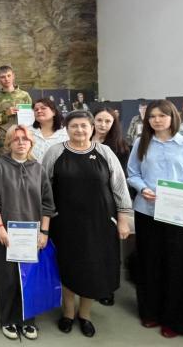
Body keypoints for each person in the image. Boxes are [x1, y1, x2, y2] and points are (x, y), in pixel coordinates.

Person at [42, 110, 131, 338]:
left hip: (100, 223)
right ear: (67, 129)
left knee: (93, 268)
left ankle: (85, 314)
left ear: (92, 128)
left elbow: (120, 187)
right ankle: (68, 312)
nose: (79, 130)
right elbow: (44, 187)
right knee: (67, 266)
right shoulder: (55, 152)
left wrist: (123, 219)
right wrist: (45, 218)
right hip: (65, 223)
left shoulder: (104, 152)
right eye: (74, 126)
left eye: (84, 125)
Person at [127, 99, 183, 338]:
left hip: (178, 213)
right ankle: (150, 312)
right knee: (149, 262)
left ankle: (174, 320)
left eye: (162, 115)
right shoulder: (141, 142)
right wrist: (143, 188)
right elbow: (132, 173)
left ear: (172, 117)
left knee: (177, 265)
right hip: (147, 211)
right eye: (152, 116)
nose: (156, 120)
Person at [0, 125, 55, 341]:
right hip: (5, 233)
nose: (21, 142)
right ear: (9, 143)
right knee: (9, 279)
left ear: (31, 143)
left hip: (32, 235)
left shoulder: (38, 169)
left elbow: (47, 204)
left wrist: (44, 231)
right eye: (16, 139)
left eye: (25, 139)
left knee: (29, 278)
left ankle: (28, 320)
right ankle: (7, 319)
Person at [91, 107, 132, 306]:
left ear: (114, 124)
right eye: (99, 120)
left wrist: (123, 215)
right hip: (84, 204)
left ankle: (107, 289)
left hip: (108, 204)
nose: (103, 125)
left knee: (107, 249)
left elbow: (121, 182)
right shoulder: (81, 141)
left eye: (108, 121)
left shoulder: (121, 148)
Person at [0, 65, 32, 155]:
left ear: (13, 76)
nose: (6, 79)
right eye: (2, 77)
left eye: (9, 75)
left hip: (22, 140)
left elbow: (30, 119)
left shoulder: (25, 96)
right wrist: (6, 114)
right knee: (3, 163)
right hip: (3, 141)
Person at [30, 98, 68, 163]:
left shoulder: (66, 134)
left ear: (54, 112)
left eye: (43, 108)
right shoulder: (27, 132)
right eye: (36, 110)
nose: (39, 111)